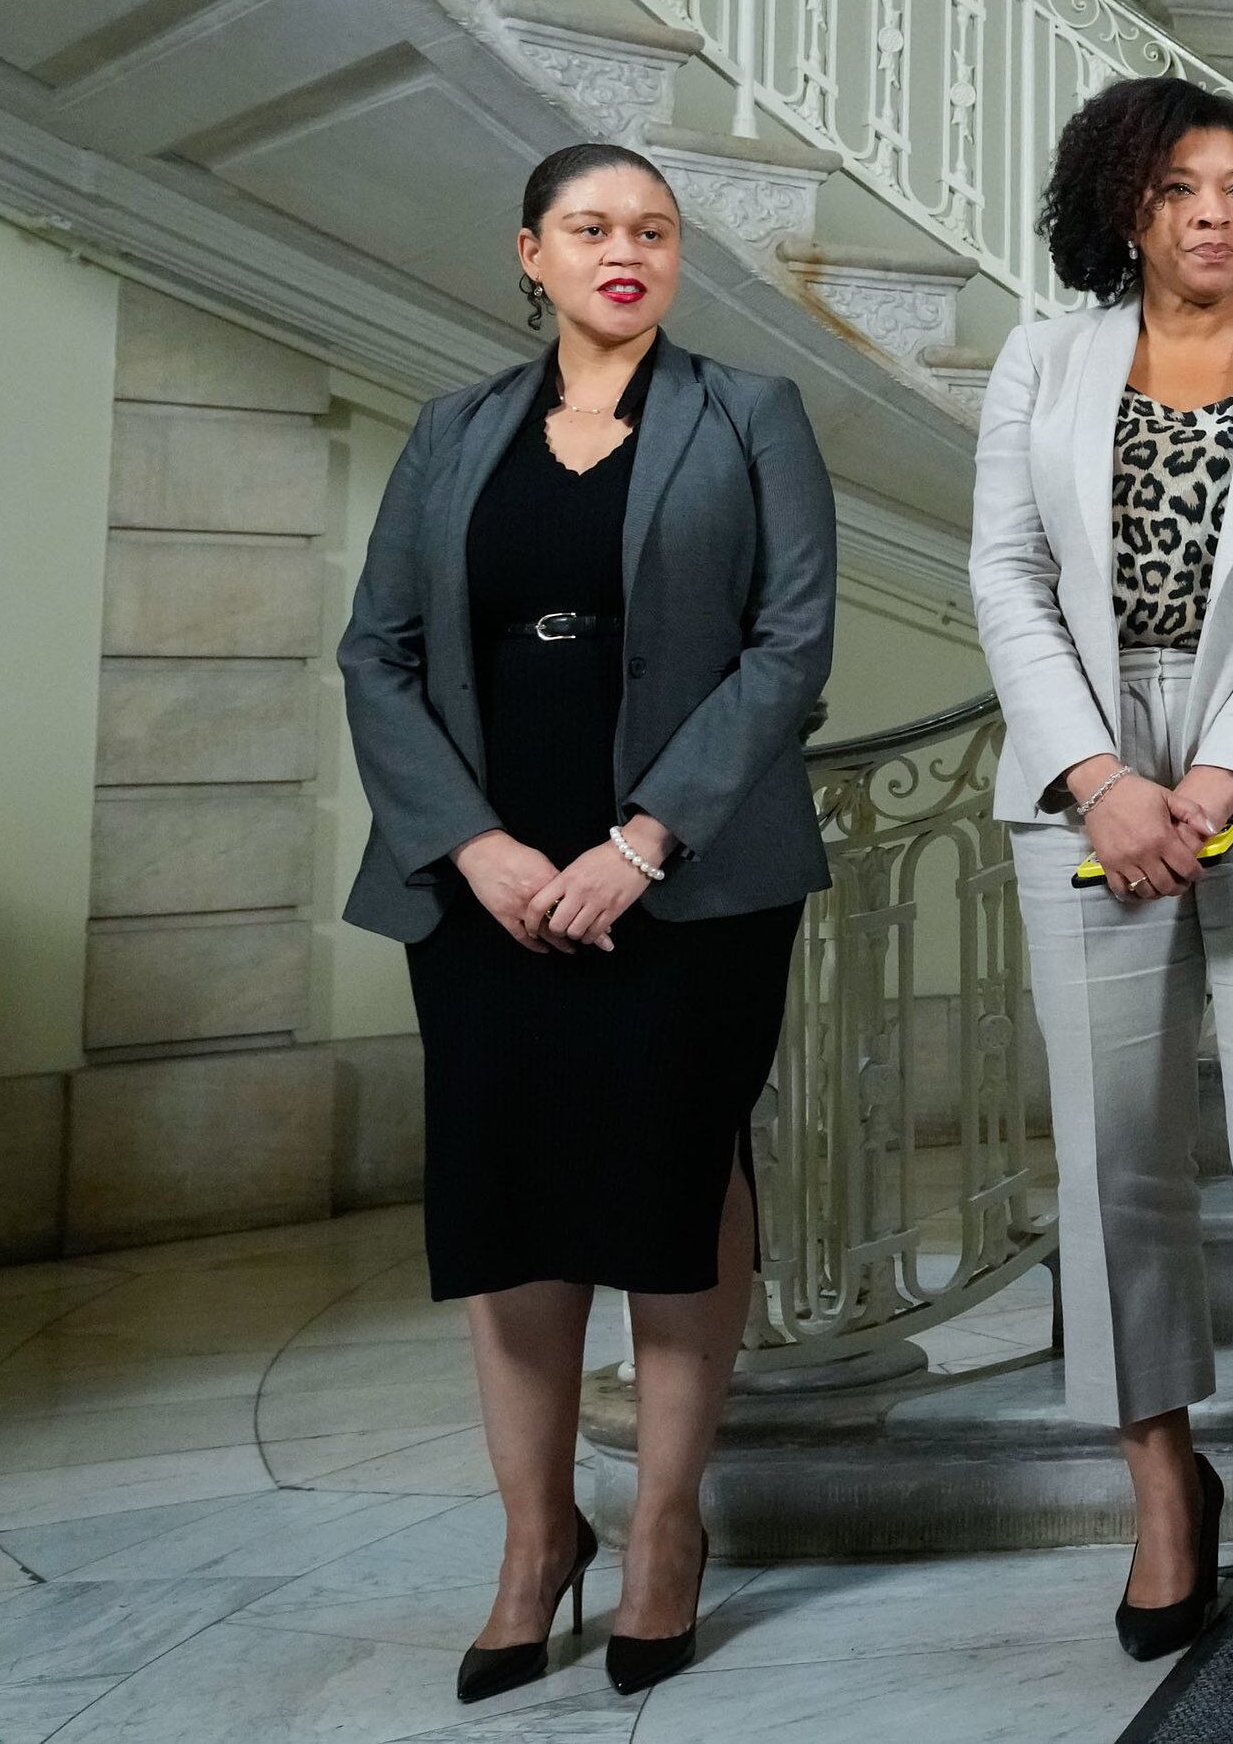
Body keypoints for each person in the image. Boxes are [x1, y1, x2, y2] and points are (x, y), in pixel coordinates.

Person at [337, 142, 837, 1704]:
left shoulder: (750, 413)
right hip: (481, 880)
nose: (627, 250)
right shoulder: (451, 428)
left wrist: (641, 839)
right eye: (592, 227)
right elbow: (376, 652)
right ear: (530, 253)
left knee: (676, 1185)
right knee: (508, 1203)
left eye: (655, 230)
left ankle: (666, 1530)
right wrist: (474, 846)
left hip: (690, 874)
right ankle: (535, 1539)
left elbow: (790, 643)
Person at [969, 75, 1233, 1657]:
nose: (1212, 215)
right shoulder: (1042, 358)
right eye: (1177, 189)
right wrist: (1100, 779)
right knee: (1115, 1145)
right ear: (1124, 208)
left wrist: (1219, 774)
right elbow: (1007, 571)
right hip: (1084, 767)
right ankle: (1165, 1481)